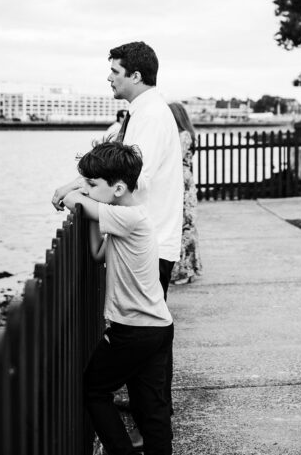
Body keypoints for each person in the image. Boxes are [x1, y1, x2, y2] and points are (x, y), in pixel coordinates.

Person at [61, 141, 173, 455]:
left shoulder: (132, 218)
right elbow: (98, 253)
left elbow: (69, 199)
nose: (86, 189)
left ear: (119, 187)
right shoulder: (124, 216)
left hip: (134, 331)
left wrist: (72, 193)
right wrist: (92, 204)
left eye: (92, 184)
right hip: (156, 328)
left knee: (94, 390)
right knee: (150, 407)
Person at [53, 41, 183, 297]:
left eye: (115, 71)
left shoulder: (151, 116)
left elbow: (132, 177)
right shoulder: (144, 111)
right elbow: (117, 170)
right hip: (144, 240)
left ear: (135, 76)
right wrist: (75, 185)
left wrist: (76, 190)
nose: (109, 77)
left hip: (149, 242)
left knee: (145, 324)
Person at [168, 102, 202, 285]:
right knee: (182, 225)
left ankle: (185, 270)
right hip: (182, 180)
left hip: (182, 182)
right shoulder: (183, 134)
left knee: (185, 225)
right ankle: (186, 269)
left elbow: (175, 158)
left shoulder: (183, 135)